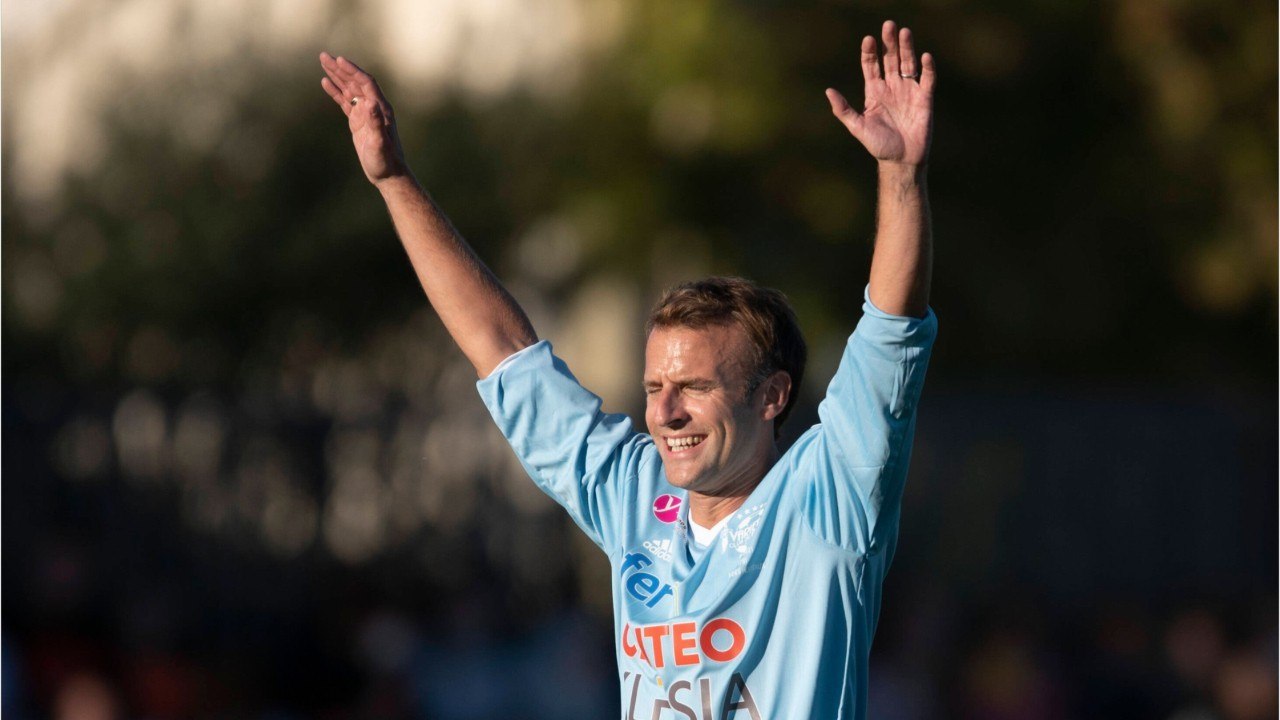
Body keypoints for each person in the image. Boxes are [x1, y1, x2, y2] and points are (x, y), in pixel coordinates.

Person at [321, 18, 936, 720]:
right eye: (654, 388)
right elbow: (502, 347)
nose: (665, 414)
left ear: (771, 395)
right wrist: (394, 180)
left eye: (694, 388)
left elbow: (890, 335)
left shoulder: (829, 497)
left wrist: (900, 177)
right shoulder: (634, 495)